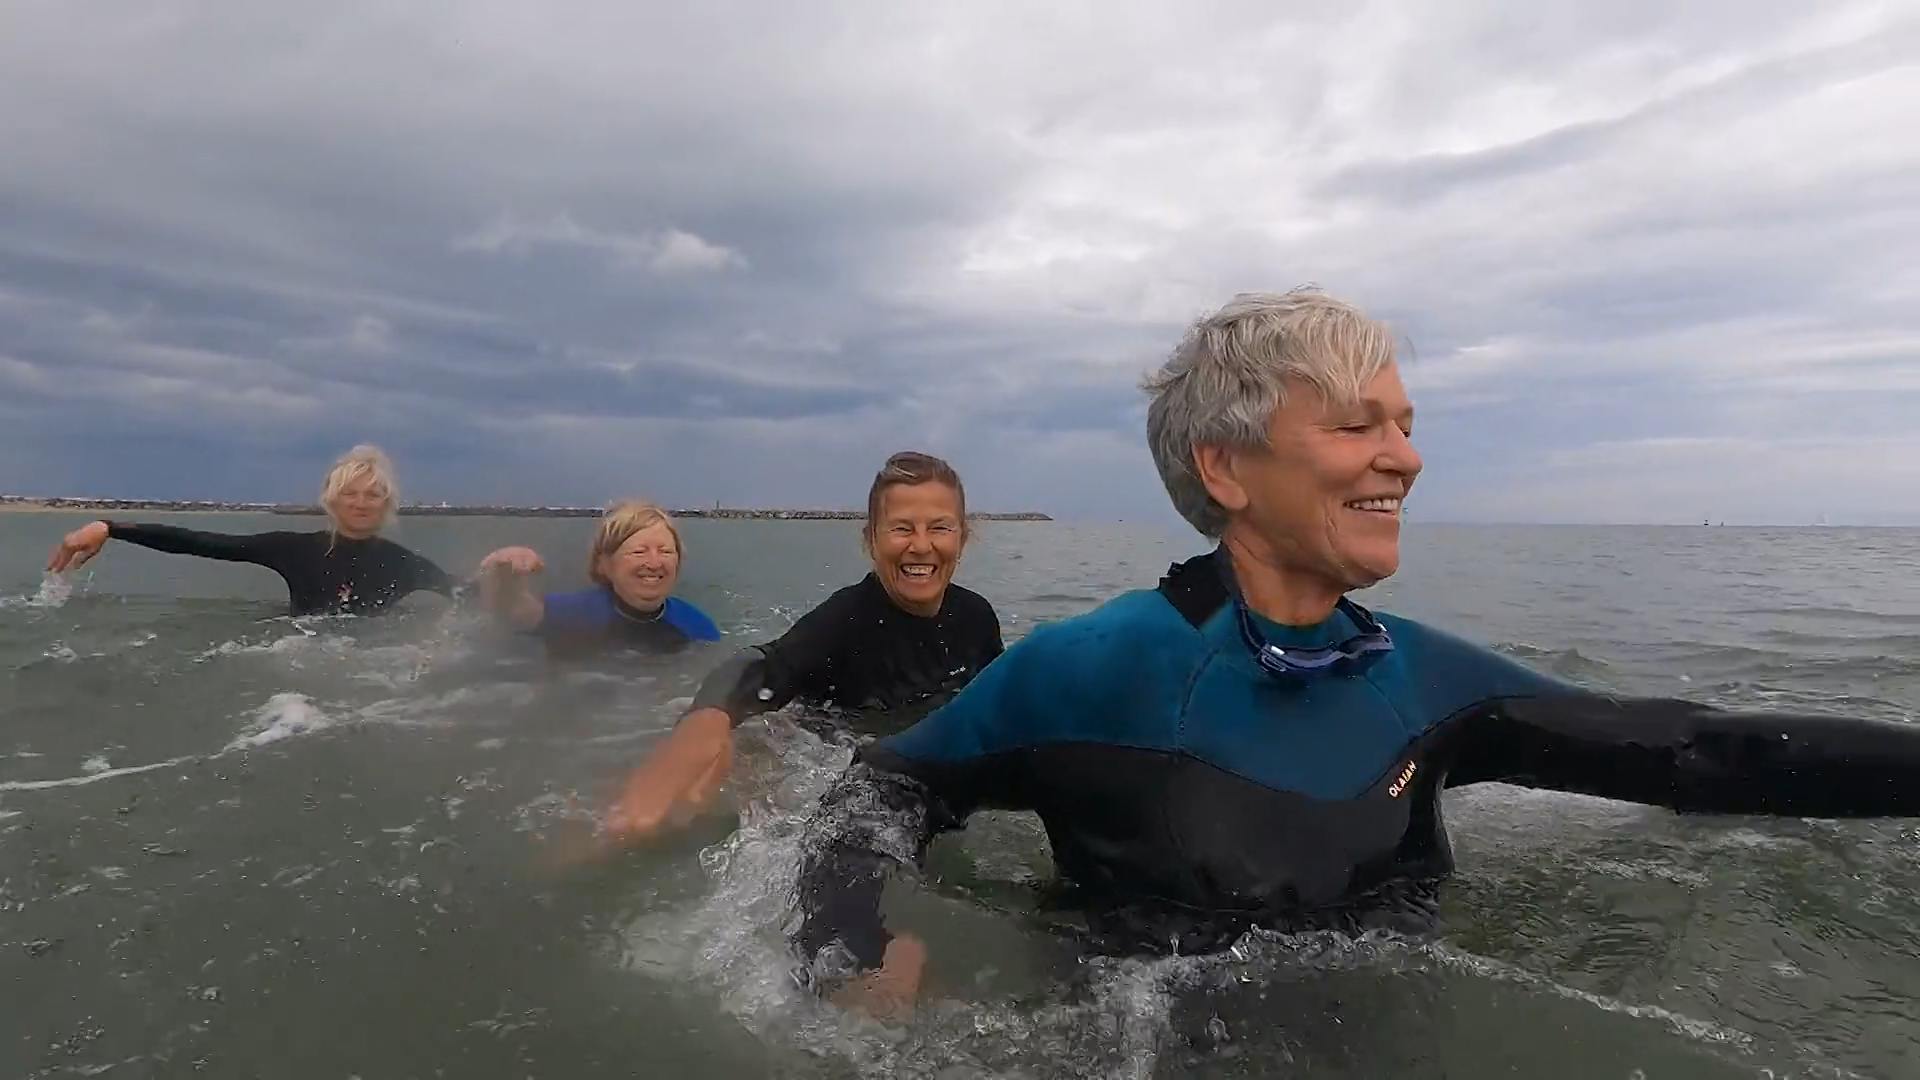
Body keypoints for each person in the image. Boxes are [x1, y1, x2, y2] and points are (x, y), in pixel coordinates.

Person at [777, 288, 1920, 1019]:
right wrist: (855, 943)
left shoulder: (1424, 678)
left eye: (1405, 424)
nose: (1406, 457)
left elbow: (1692, 754)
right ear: (1226, 468)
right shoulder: (1096, 668)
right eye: (1358, 424)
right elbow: (879, 792)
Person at [603, 450, 1005, 836]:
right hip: (839, 776)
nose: (920, 545)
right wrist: (706, 719)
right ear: (871, 539)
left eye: (939, 527)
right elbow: (768, 665)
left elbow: (1001, 705)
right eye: (901, 528)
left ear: (963, 537)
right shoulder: (845, 619)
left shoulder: (977, 619)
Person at [44, 445, 460, 617]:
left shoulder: (406, 565)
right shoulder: (294, 549)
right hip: (297, 676)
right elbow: (203, 543)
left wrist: (499, 568)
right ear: (330, 500)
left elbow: (470, 595)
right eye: (349, 493)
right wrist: (109, 527)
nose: (360, 502)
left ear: (387, 503)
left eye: (372, 494)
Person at [474, 499, 721, 657]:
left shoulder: (699, 629)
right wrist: (506, 573)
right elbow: (514, 612)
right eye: (638, 552)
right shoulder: (574, 612)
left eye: (666, 552)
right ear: (604, 565)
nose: (654, 563)